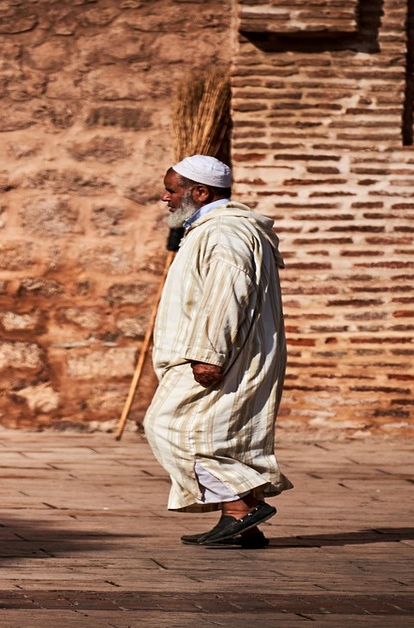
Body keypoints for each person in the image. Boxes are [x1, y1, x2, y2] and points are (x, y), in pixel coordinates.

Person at [142, 154, 292, 548]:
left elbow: (229, 295)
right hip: (226, 352)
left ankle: (241, 507)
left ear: (200, 192)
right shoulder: (213, 229)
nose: (165, 198)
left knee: (168, 427)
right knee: (218, 436)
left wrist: (209, 354)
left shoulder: (224, 232)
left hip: (217, 354)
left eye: (172, 190)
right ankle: (243, 524)